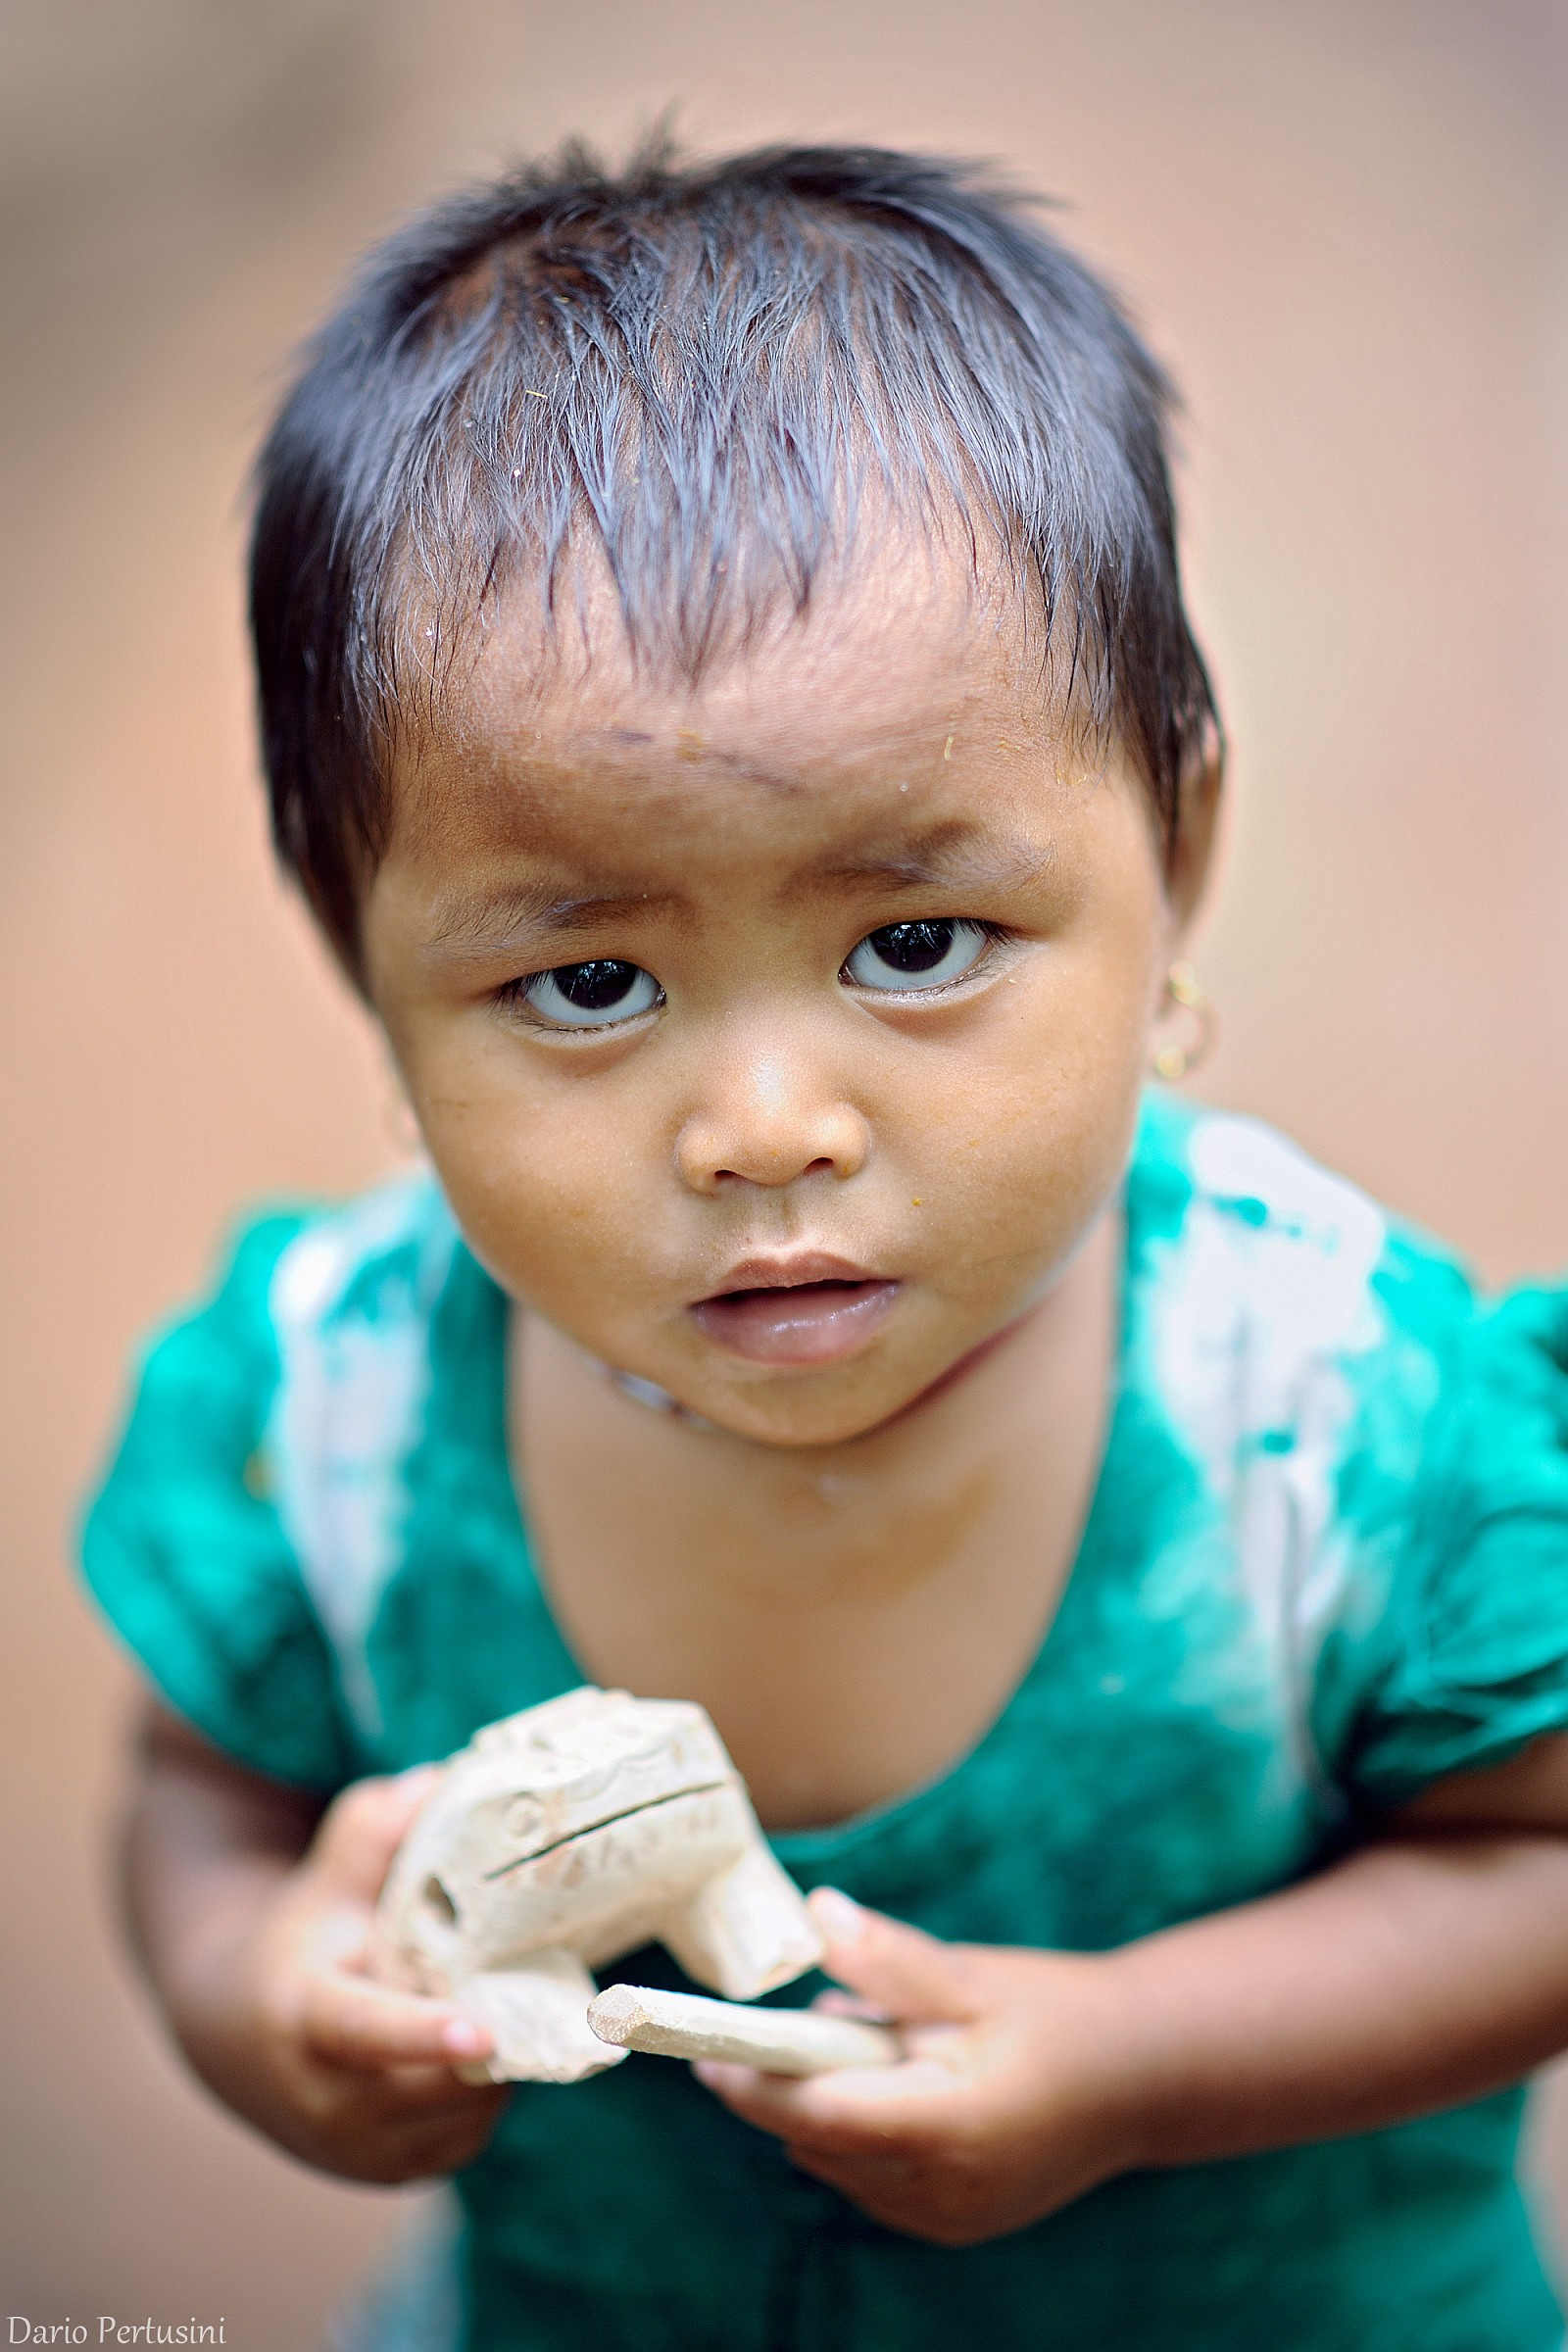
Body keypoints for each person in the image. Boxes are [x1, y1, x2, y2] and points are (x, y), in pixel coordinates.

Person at [81, 140, 1568, 2351]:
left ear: (1173, 850)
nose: (766, 1131)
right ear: (367, 972)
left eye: (913, 940)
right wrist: (254, 1992)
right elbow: (195, 1790)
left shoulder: (1337, 1418)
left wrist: (1137, 2069)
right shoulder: (342, 1406)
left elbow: (1530, 1866)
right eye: (584, 986)